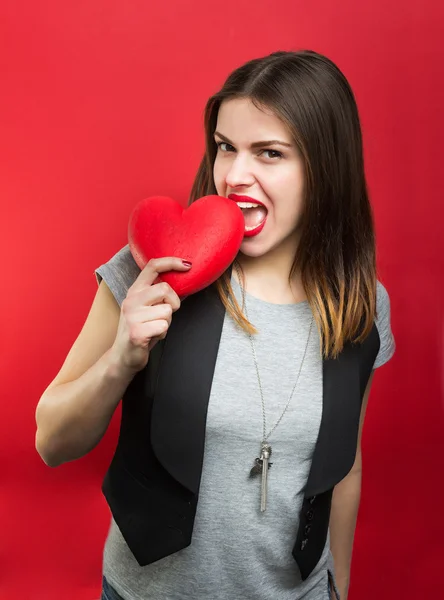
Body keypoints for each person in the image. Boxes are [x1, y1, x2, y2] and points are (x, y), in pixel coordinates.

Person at [35, 50, 395, 600]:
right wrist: (119, 362)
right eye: (226, 147)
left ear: (326, 167)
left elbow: (345, 467)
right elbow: (51, 443)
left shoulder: (361, 305)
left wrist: (338, 587)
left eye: (269, 153)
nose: (233, 176)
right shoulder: (148, 271)